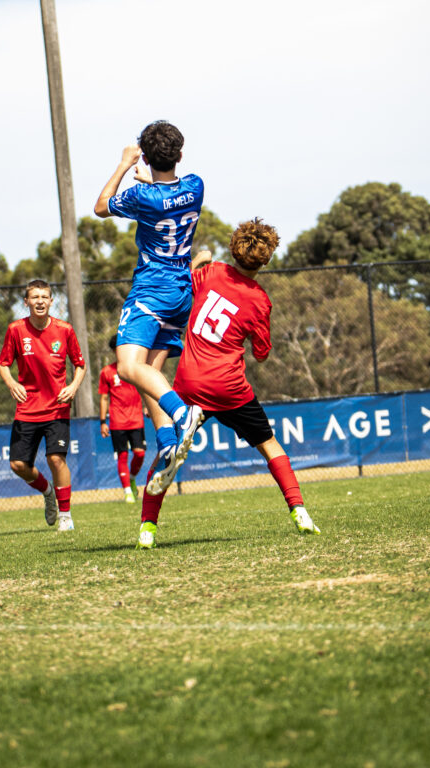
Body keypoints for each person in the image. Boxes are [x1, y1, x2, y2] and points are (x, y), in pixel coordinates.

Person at [136, 218, 320, 549]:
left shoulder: (211, 273)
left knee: (166, 453)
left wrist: (198, 261)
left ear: (234, 246)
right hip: (230, 387)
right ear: (265, 258)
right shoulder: (260, 300)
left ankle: (147, 530)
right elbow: (262, 353)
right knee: (270, 446)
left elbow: (182, 288)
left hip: (190, 384)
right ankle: (300, 513)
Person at [94, 120, 205, 495]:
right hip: (181, 292)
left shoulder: (142, 198)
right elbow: (165, 197)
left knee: (127, 367)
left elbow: (100, 207)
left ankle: (181, 415)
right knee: (149, 373)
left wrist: (125, 165)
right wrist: (148, 182)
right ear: (180, 154)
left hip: (151, 292)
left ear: (144, 154)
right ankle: (168, 442)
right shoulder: (196, 186)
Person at [0, 279, 86, 532]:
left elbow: (80, 364)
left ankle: (66, 516)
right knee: (18, 465)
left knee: (56, 459)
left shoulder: (65, 329)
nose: (39, 301)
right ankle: (48, 492)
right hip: (27, 408)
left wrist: (73, 387)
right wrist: (12, 383)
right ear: (26, 302)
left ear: (51, 301)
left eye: (44, 297)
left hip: (57, 408)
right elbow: (3, 363)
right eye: (34, 297)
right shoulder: (15, 329)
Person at [98, 336, 147, 503]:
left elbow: (144, 387)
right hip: (117, 421)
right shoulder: (107, 372)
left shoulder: (135, 368)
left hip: (136, 419)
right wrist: (103, 421)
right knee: (122, 456)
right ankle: (127, 491)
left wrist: (147, 405)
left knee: (140, 454)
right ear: (114, 351)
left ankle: (131, 479)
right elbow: (104, 398)